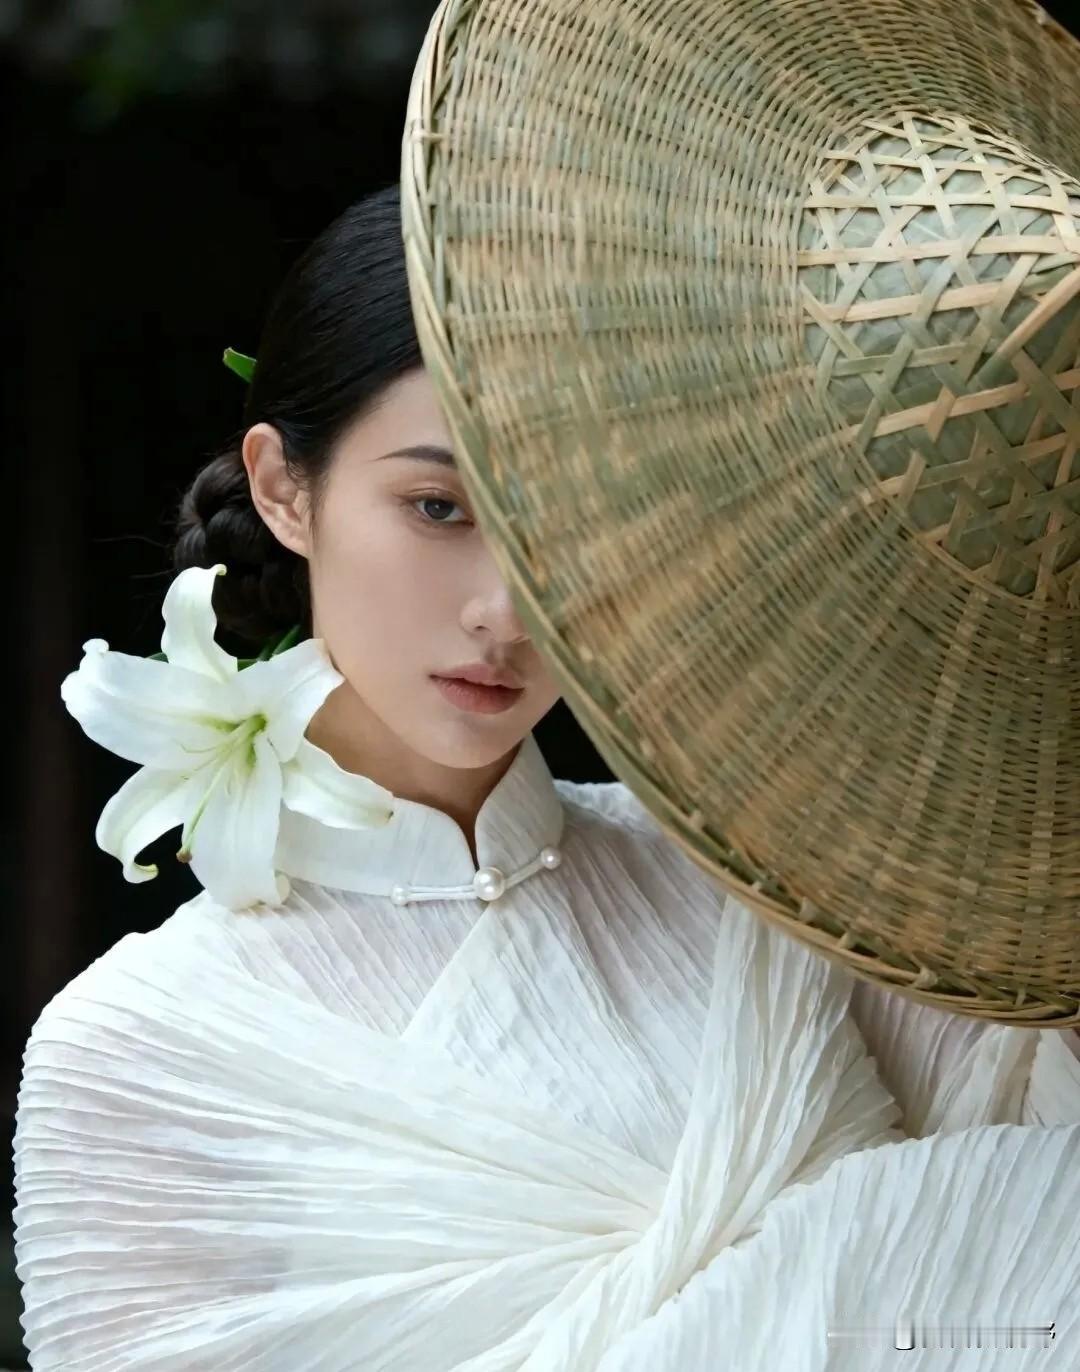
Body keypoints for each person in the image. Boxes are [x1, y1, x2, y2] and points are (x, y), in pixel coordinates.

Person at [12, 182, 1080, 1370]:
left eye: (563, 529)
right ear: (282, 488)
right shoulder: (139, 1046)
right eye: (438, 506)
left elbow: (1030, 1239)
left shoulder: (771, 895)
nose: (507, 611)